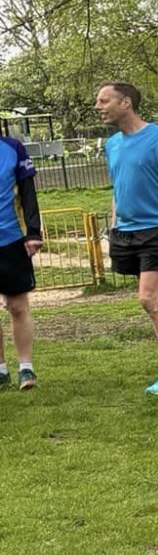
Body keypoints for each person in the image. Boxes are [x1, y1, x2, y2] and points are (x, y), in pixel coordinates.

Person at [96, 81, 158, 394]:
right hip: (125, 232)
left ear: (126, 102)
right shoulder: (112, 144)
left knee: (149, 300)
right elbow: (118, 187)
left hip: (157, 230)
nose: (98, 106)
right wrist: (114, 224)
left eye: (104, 100)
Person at [0, 129, 42, 389]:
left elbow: (28, 192)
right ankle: (0, 370)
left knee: (17, 306)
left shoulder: (13, 148)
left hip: (11, 239)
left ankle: (26, 368)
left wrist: (33, 232)